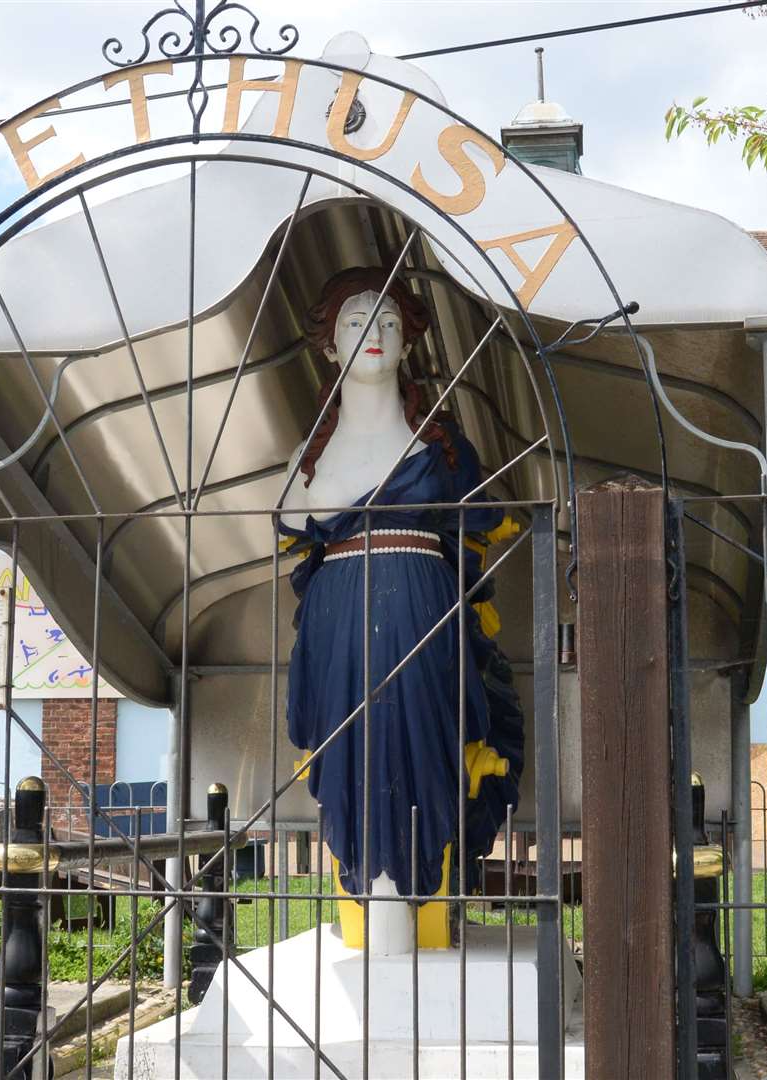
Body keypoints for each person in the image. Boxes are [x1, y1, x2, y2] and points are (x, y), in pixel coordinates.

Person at [278, 267, 523, 949]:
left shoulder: (442, 449)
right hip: (338, 618)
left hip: (421, 604)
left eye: (389, 321)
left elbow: (489, 525)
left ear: (409, 342)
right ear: (329, 344)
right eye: (356, 321)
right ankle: (365, 908)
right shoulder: (309, 459)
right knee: (349, 756)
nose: (375, 333)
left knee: (425, 749)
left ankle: (424, 910)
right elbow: (291, 531)